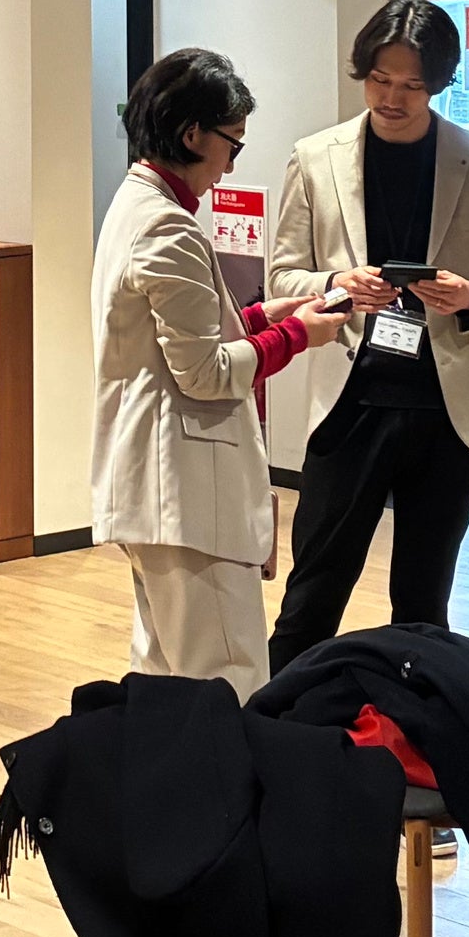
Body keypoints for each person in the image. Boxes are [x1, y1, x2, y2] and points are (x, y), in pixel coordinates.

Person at [260, 0, 469, 677]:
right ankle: (277, 720)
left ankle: (414, 726)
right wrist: (338, 282)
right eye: (380, 79)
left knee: (424, 602)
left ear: (438, 84)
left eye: (412, 85)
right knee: (312, 594)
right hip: (349, 404)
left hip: (447, 412)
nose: (392, 98)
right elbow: (282, 277)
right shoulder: (315, 158)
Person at [92, 47, 351, 696]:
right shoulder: (167, 226)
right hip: (185, 495)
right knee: (227, 680)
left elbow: (171, 341)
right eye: (232, 144)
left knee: (163, 680)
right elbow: (203, 371)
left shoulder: (134, 202)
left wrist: (262, 316)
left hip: (160, 492)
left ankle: (163, 770)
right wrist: (298, 334)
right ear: (192, 135)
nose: (232, 163)